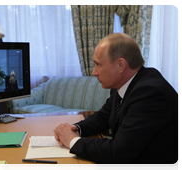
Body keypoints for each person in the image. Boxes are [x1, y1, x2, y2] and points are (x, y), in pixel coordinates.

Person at [53, 33, 180, 170]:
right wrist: (75, 129)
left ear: (120, 65)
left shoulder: (149, 93)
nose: (94, 72)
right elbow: (103, 116)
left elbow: (119, 153)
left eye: (98, 64)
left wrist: (72, 141)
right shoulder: (126, 84)